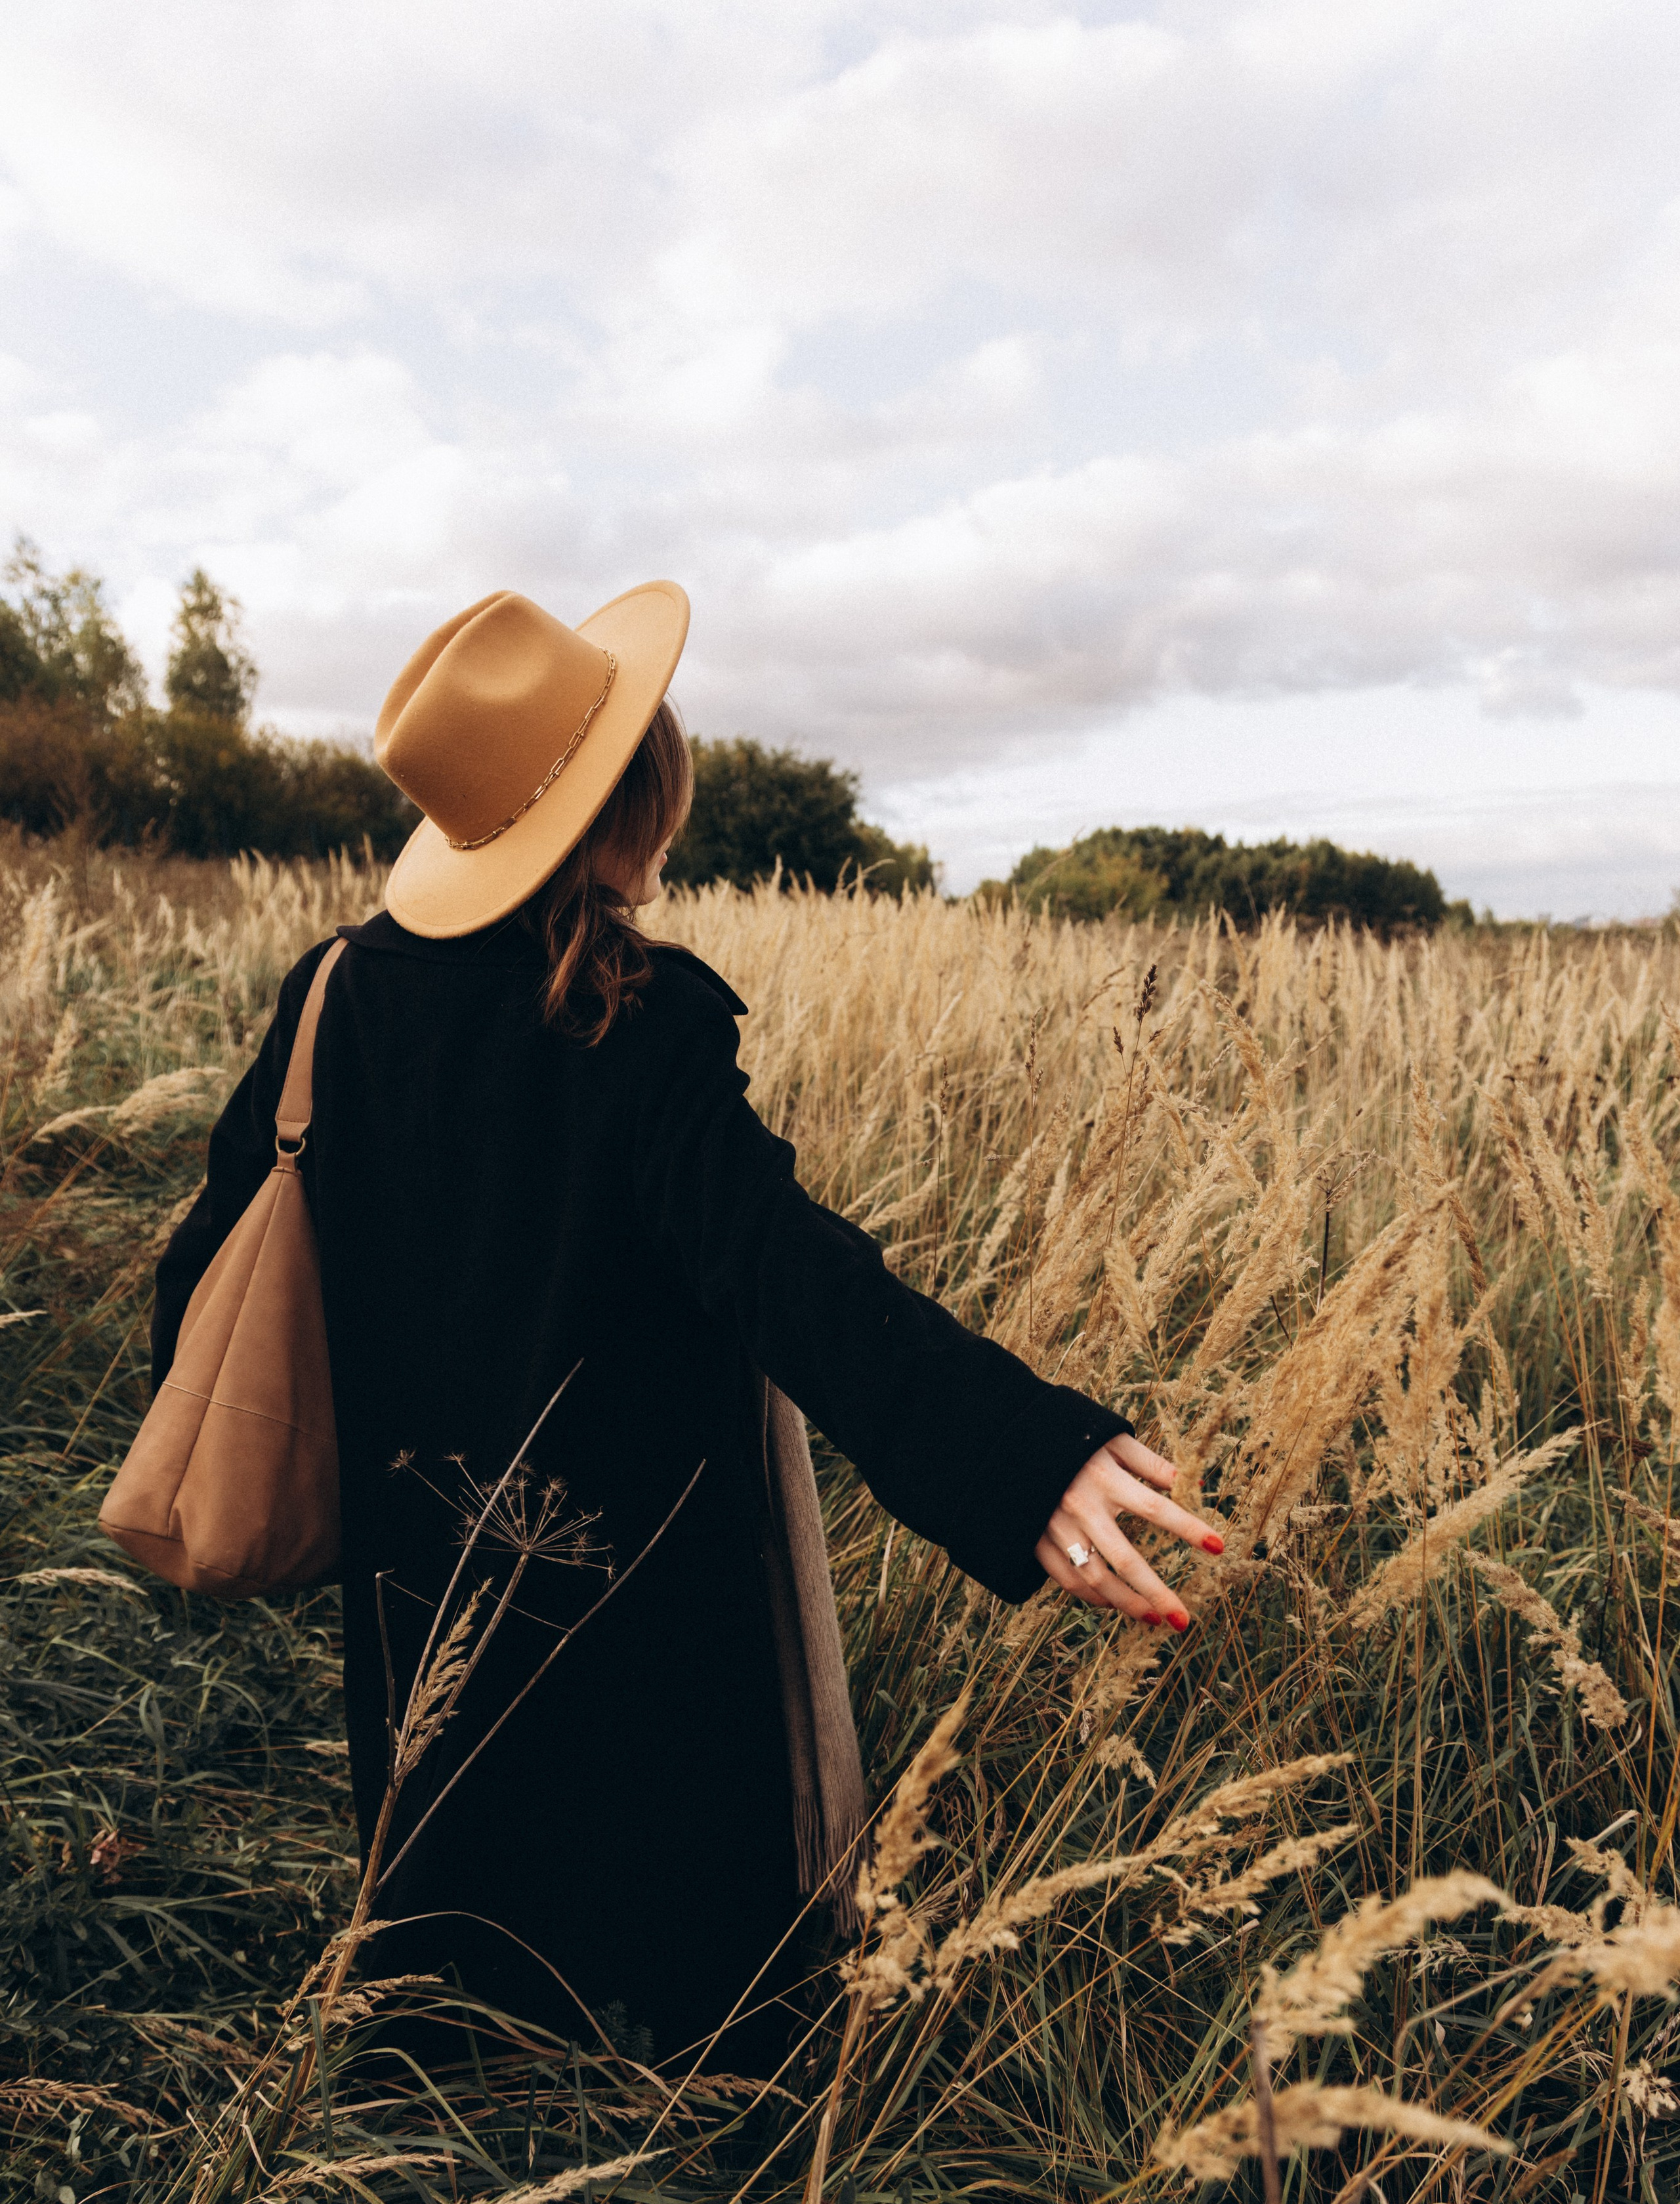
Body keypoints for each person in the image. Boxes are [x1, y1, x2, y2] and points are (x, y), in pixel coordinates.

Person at [149, 583, 1221, 2075]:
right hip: (638, 1561)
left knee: (445, 1878)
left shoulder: (332, 999)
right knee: (684, 1921)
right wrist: (1022, 1456)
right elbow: (787, 1276)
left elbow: (197, 1286)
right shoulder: (629, 1021)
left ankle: (444, 2087)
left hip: (423, 1548)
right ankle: (711, 2137)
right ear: (635, 803)